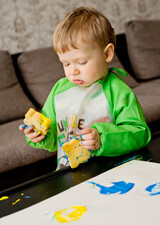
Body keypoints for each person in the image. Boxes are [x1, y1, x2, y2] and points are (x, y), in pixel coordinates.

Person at [19, 6, 151, 169]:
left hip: (113, 170)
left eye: (81, 62)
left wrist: (102, 138)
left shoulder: (117, 91)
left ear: (107, 54)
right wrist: (40, 135)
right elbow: (54, 138)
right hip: (69, 172)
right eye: (66, 63)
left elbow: (140, 133)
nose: (73, 71)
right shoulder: (60, 90)